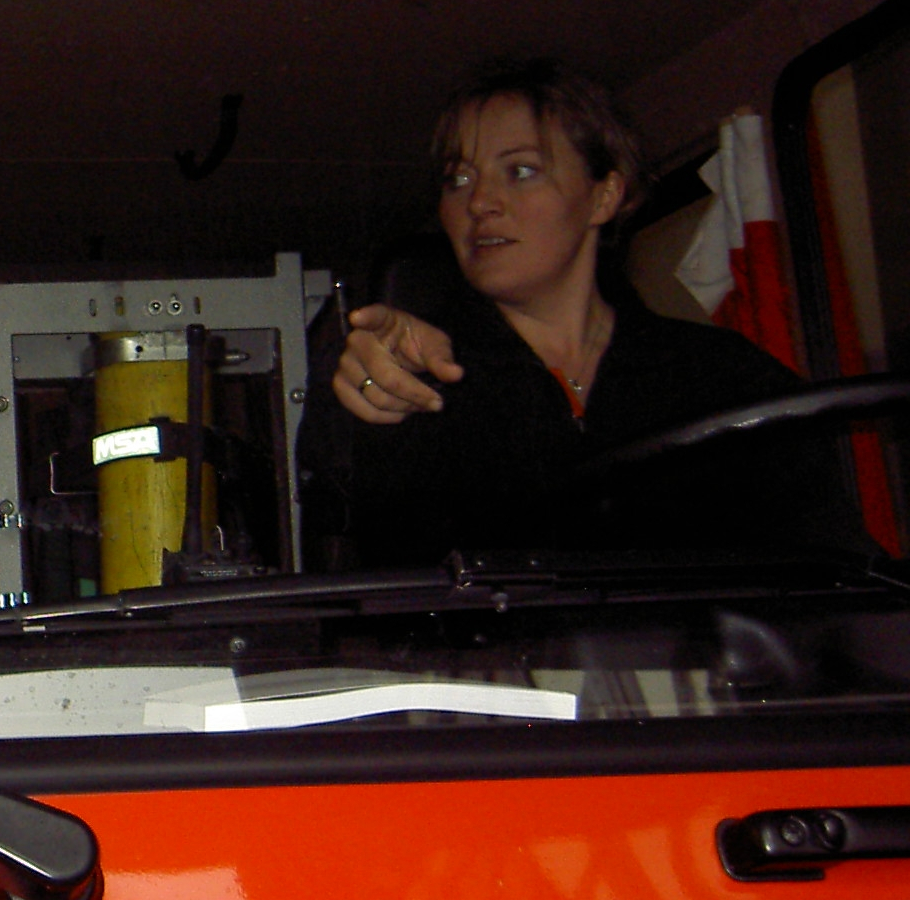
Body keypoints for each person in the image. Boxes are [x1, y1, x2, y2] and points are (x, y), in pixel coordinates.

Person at [321, 58, 871, 566]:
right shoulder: (422, 384)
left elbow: (834, 573)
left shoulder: (724, 376)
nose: (479, 202)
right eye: (457, 180)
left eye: (520, 171)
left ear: (604, 196)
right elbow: (362, 537)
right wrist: (365, 395)